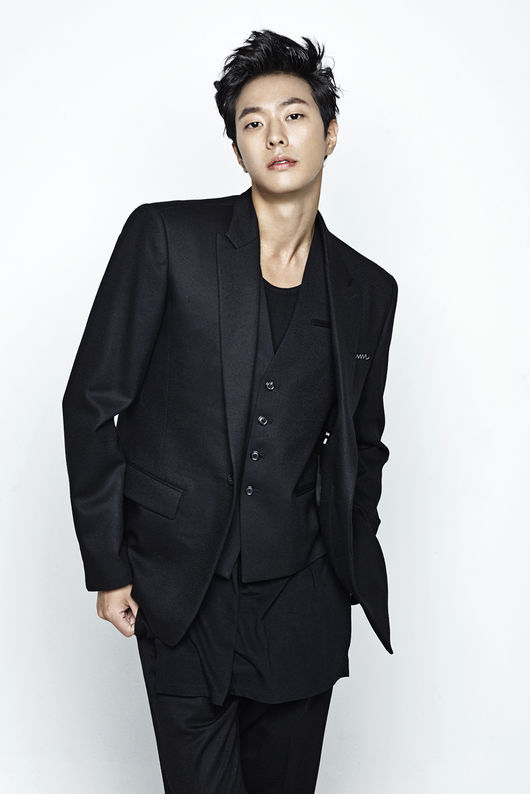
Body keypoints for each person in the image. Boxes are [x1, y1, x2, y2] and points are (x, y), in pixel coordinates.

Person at [62, 28, 398, 794]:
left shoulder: (368, 290)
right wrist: (109, 566)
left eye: (295, 115)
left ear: (330, 133)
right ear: (238, 147)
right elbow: (91, 403)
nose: (275, 135)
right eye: (253, 122)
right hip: (183, 593)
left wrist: (345, 559)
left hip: (304, 603)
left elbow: (364, 441)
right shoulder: (165, 239)